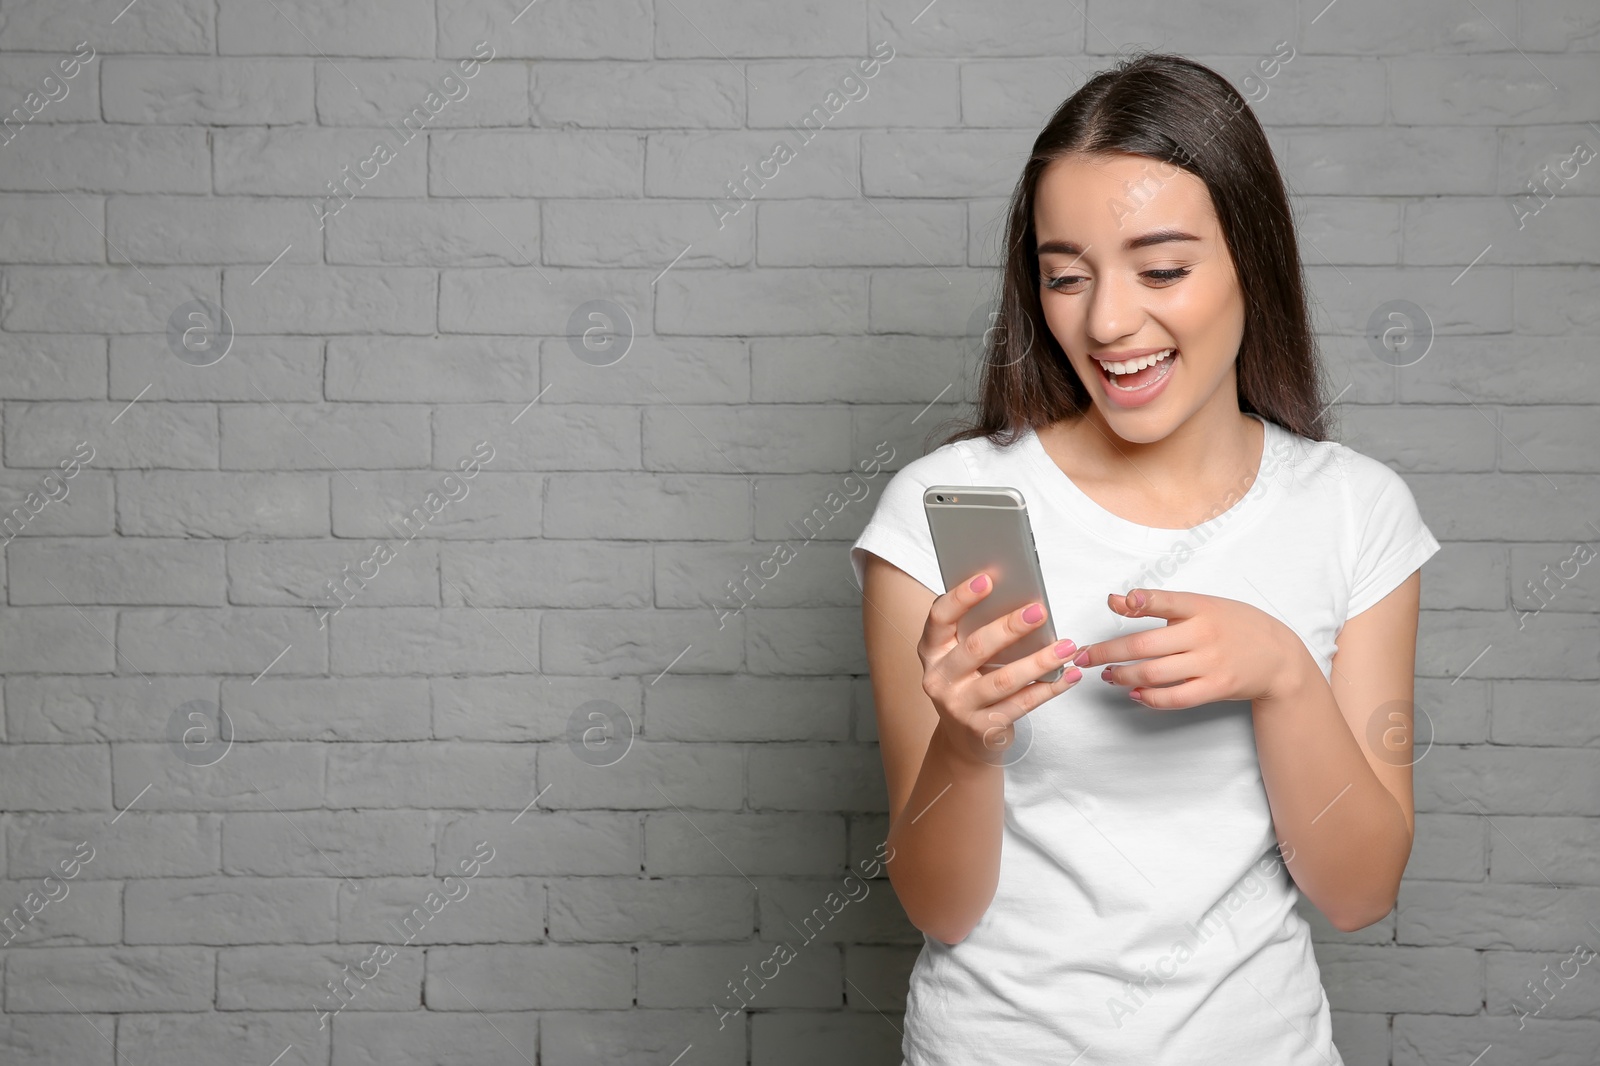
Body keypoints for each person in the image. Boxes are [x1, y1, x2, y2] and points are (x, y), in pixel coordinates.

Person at [849, 51, 1439, 1065]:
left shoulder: (1355, 511)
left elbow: (1359, 891)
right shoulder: (934, 513)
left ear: (1251, 257)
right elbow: (941, 907)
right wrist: (967, 743)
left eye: (1161, 268)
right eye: (1064, 276)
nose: (1108, 321)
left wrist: (1284, 677)